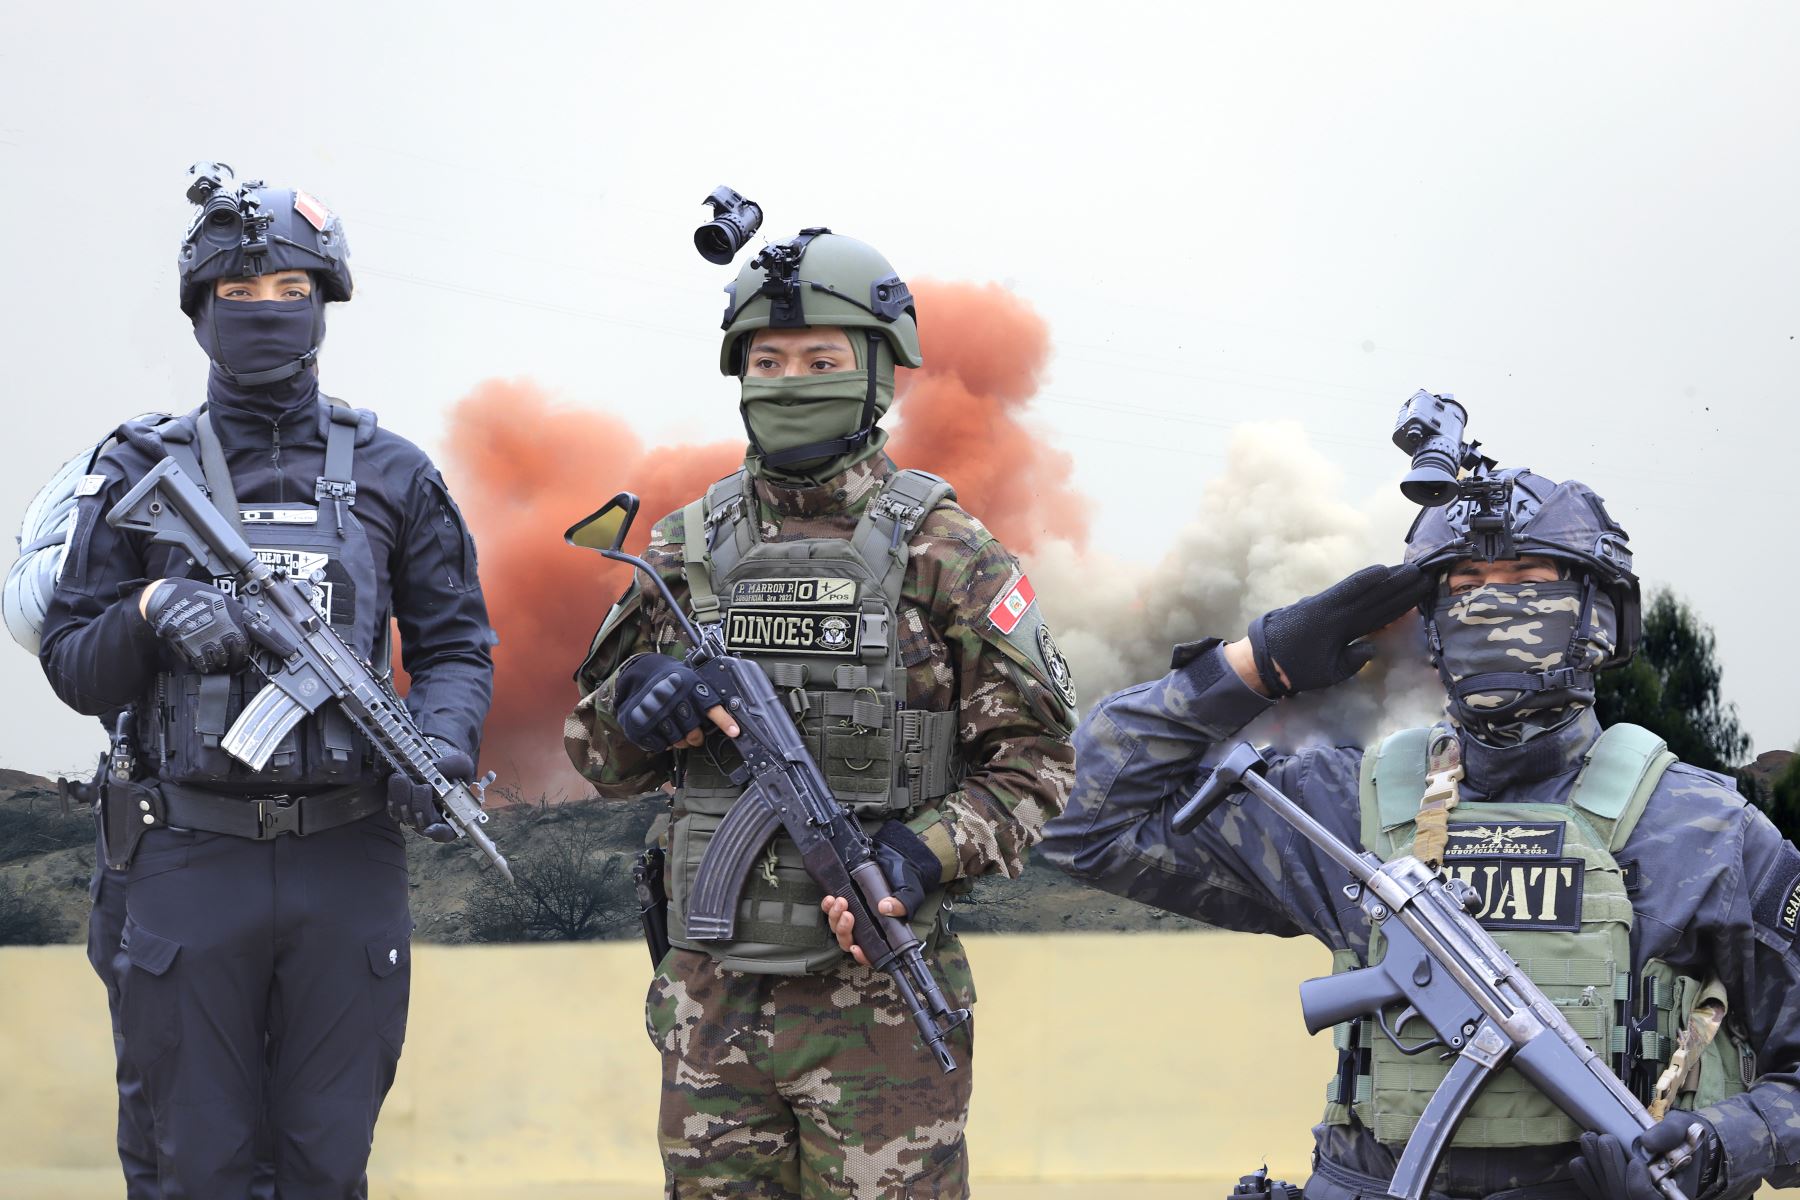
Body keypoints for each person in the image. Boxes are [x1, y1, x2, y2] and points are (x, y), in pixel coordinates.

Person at [1040, 463, 1800, 1200]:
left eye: (1530, 584)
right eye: (1465, 587)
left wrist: (1724, 1146)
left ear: (1599, 616)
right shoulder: (1346, 806)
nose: (1493, 608)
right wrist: (1258, 663)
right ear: (1430, 629)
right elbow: (1075, 815)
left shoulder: (1704, 831)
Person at [565, 227, 1077, 1199]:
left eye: (821, 360)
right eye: (768, 361)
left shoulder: (946, 550)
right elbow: (598, 758)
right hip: (712, 1006)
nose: (791, 379)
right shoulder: (684, 550)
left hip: (879, 1012)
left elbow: (1037, 762)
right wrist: (638, 710)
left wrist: (923, 851)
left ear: (879, 373)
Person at [37, 164, 495, 1196]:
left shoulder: (395, 474)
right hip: (185, 854)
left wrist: (444, 747)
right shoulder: (136, 469)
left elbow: (458, 646)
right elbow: (71, 660)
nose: (266, 313)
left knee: (327, 1161)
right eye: (239, 295)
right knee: (190, 1161)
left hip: (348, 857)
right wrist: (152, 614)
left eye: (292, 292)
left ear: (326, 304)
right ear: (199, 310)